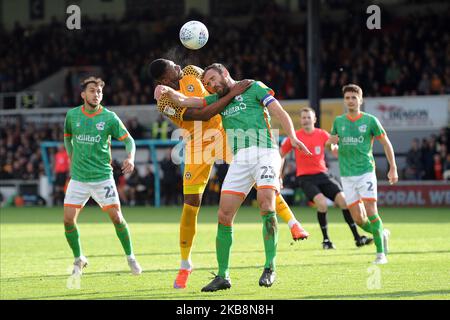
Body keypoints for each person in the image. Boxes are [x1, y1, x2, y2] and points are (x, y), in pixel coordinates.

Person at [150, 59, 309, 289]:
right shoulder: (163, 101)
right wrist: (233, 93)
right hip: (196, 141)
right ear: (164, 80)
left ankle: (293, 223)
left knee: (262, 187)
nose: (179, 68)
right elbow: (203, 113)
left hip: (225, 133)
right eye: (172, 70)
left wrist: (230, 90)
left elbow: (217, 87)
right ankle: (185, 264)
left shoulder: (192, 71)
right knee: (191, 203)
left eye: (176, 65)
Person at [63, 77, 142, 276]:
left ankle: (130, 257)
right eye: (92, 90)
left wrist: (130, 158)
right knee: (68, 221)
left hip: (102, 178)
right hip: (79, 178)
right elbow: (67, 137)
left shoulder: (109, 118)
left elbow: (129, 140)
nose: (96, 94)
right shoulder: (72, 116)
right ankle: (79, 258)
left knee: (117, 218)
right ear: (83, 94)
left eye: (99, 91)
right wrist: (71, 156)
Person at [281, 107, 373, 249]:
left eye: (308, 117)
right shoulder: (295, 137)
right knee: (322, 204)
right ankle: (326, 241)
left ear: (314, 120)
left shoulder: (322, 134)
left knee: (343, 201)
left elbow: (334, 149)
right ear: (300, 120)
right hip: (305, 178)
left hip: (323, 175)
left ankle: (358, 238)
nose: (305, 120)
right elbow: (281, 154)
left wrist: (343, 153)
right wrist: (279, 175)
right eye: (303, 118)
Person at [328, 84, 398, 264]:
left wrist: (393, 167)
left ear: (361, 100)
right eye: (347, 98)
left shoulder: (370, 120)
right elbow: (333, 145)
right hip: (346, 175)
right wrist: (333, 145)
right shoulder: (338, 121)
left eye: (354, 97)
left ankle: (380, 254)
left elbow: (386, 143)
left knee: (371, 211)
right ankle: (381, 232)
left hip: (365, 172)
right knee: (359, 219)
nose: (350, 101)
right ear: (344, 101)